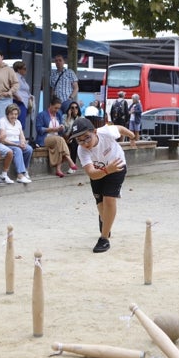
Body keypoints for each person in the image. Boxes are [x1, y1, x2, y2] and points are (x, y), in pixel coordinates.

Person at [69, 117, 137, 253]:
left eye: (87, 138)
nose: (84, 143)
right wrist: (106, 170)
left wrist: (132, 136)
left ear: (95, 132)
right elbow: (92, 173)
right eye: (79, 140)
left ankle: (104, 238)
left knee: (109, 200)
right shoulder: (82, 150)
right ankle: (104, 220)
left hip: (117, 166)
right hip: (99, 172)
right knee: (101, 206)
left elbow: (120, 128)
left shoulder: (106, 132)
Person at [35, 96, 78, 178]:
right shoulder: (42, 115)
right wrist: (52, 129)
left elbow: (62, 131)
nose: (57, 110)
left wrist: (62, 127)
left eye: (58, 108)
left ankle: (58, 170)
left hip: (57, 139)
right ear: (50, 105)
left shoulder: (58, 114)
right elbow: (39, 129)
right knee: (60, 140)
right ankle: (69, 160)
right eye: (55, 108)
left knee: (60, 143)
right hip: (45, 138)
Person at [0, 103, 33, 184]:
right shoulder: (2, 121)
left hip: (17, 142)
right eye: (11, 114)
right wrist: (17, 145)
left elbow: (22, 135)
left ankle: (25, 171)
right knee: (18, 150)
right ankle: (20, 175)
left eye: (16, 114)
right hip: (6, 143)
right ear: (7, 114)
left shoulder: (18, 122)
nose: (14, 116)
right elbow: (3, 139)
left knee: (29, 149)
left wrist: (23, 142)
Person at [12, 61, 32, 131]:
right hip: (19, 102)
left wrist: (30, 96)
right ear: (18, 69)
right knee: (19, 122)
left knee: (21, 122)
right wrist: (17, 96)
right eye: (24, 68)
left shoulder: (22, 78)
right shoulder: (15, 77)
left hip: (24, 102)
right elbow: (10, 87)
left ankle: (20, 138)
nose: (26, 70)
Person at [63, 101, 82, 166]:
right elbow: (64, 130)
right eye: (72, 108)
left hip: (77, 138)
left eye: (76, 107)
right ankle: (73, 165)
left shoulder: (81, 118)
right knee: (74, 144)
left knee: (74, 144)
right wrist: (68, 117)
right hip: (67, 137)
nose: (74, 109)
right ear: (69, 109)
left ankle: (73, 165)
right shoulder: (65, 117)